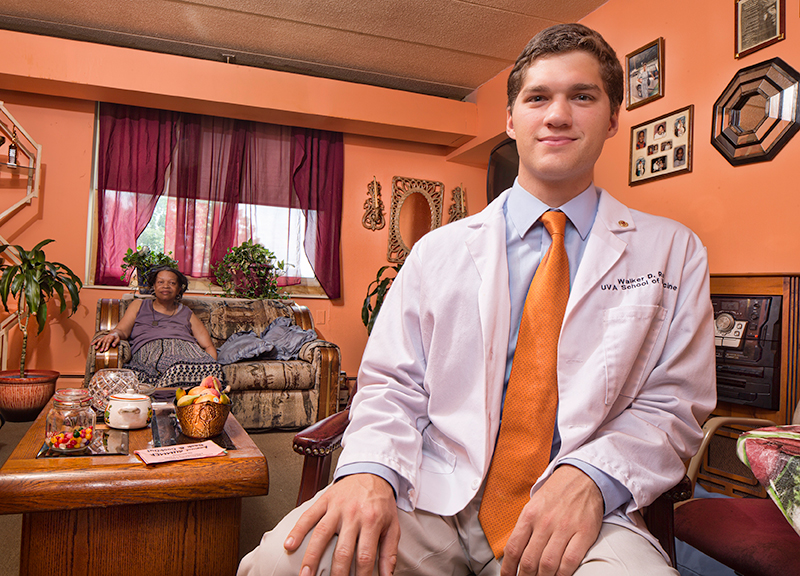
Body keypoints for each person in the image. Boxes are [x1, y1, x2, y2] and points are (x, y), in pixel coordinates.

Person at [239, 23, 716, 576]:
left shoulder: (672, 250)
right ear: (511, 119)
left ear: (612, 118)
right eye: (538, 97)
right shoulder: (436, 252)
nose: (557, 115)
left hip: (584, 508)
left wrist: (591, 477)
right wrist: (369, 471)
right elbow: (393, 383)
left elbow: (674, 404)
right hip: (430, 491)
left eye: (582, 96)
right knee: (280, 565)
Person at [92, 266, 221, 388]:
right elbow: (122, 330)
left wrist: (211, 368)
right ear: (153, 286)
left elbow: (208, 346)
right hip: (149, 352)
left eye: (172, 283)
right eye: (160, 282)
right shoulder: (138, 305)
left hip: (187, 352)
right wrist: (114, 334)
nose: (166, 286)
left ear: (179, 289)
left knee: (201, 369)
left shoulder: (186, 312)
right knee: (173, 367)